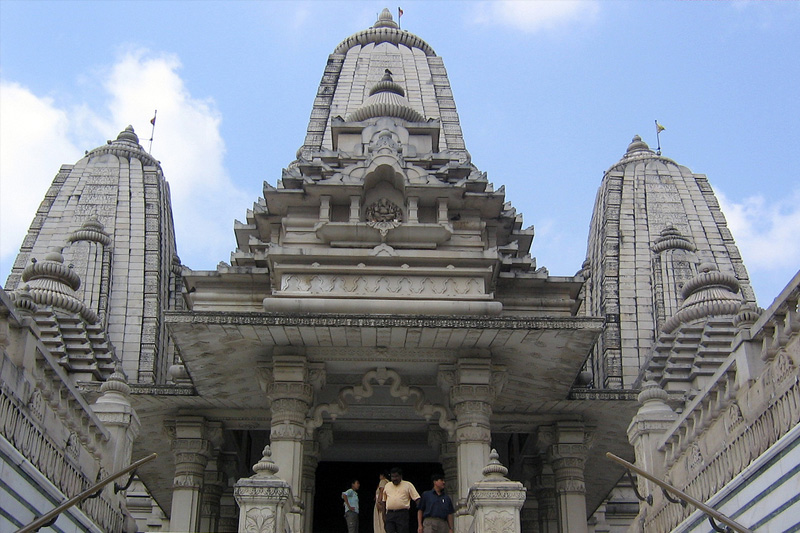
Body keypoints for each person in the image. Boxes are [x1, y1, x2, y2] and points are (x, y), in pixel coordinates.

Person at [381, 467, 421, 533]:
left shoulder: (408, 485)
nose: (394, 479)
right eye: (392, 477)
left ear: (401, 476)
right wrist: (384, 516)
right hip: (390, 514)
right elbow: (383, 501)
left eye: (396, 476)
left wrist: (421, 510)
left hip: (402, 514)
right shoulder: (387, 485)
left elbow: (417, 499)